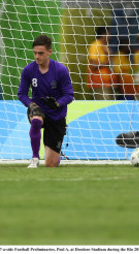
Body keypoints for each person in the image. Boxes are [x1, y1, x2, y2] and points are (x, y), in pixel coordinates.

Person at [18, 34, 74, 168]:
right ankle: (35, 158)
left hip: (56, 115)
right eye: (35, 53)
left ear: (50, 52)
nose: (37, 56)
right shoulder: (28, 70)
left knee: (51, 164)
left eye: (41, 53)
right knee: (36, 120)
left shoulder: (60, 70)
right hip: (39, 109)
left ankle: (56, 155)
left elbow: (69, 95)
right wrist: (31, 104)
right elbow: (21, 93)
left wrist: (57, 103)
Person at [86, 26, 115, 100]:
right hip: (99, 83)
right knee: (104, 107)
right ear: (104, 34)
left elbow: (112, 63)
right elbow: (93, 66)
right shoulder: (95, 46)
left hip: (108, 83)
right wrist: (106, 63)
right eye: (109, 33)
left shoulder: (105, 47)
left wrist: (109, 54)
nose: (110, 36)